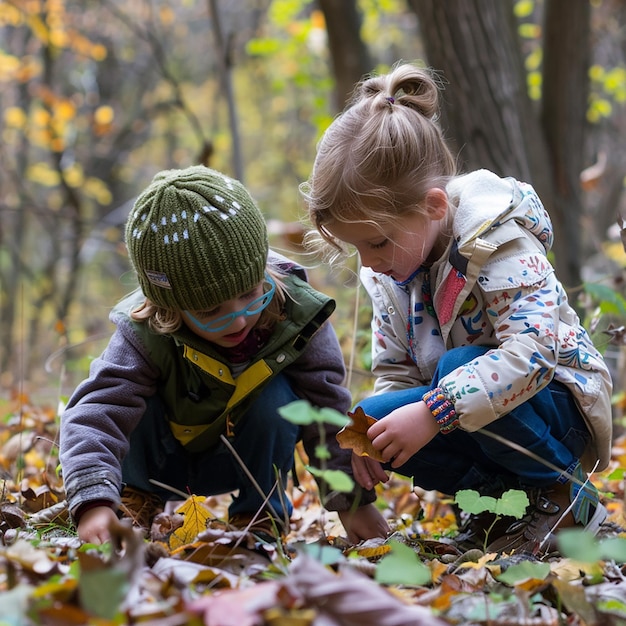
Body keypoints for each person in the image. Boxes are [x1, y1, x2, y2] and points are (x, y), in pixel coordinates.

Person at [301, 62, 613, 555]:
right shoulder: (392, 275)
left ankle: (565, 497)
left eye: (378, 242)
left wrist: (434, 409)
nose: (370, 263)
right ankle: (501, 507)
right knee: (373, 419)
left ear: (433, 207)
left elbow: (533, 353)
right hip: (474, 415)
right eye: (356, 247)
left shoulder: (496, 239)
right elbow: (398, 377)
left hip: (557, 407)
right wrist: (383, 434)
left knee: (455, 367)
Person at [59, 165, 389, 545]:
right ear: (171, 307)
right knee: (129, 400)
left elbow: (326, 410)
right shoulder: (144, 332)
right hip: (164, 461)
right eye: (210, 311)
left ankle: (259, 513)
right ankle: (136, 499)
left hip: (245, 462)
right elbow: (93, 413)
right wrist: (93, 503)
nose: (238, 319)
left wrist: (351, 502)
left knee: (281, 399)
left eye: (250, 294)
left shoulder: (298, 315)